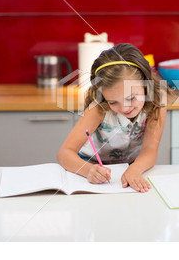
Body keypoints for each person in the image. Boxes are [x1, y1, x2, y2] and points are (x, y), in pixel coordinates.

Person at [57, 43, 167, 193]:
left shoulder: (157, 104)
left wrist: (135, 169)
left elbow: (150, 150)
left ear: (146, 84)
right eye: (113, 102)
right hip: (92, 168)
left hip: (132, 167)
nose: (124, 108)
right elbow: (65, 153)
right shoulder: (98, 108)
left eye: (131, 98)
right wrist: (88, 170)